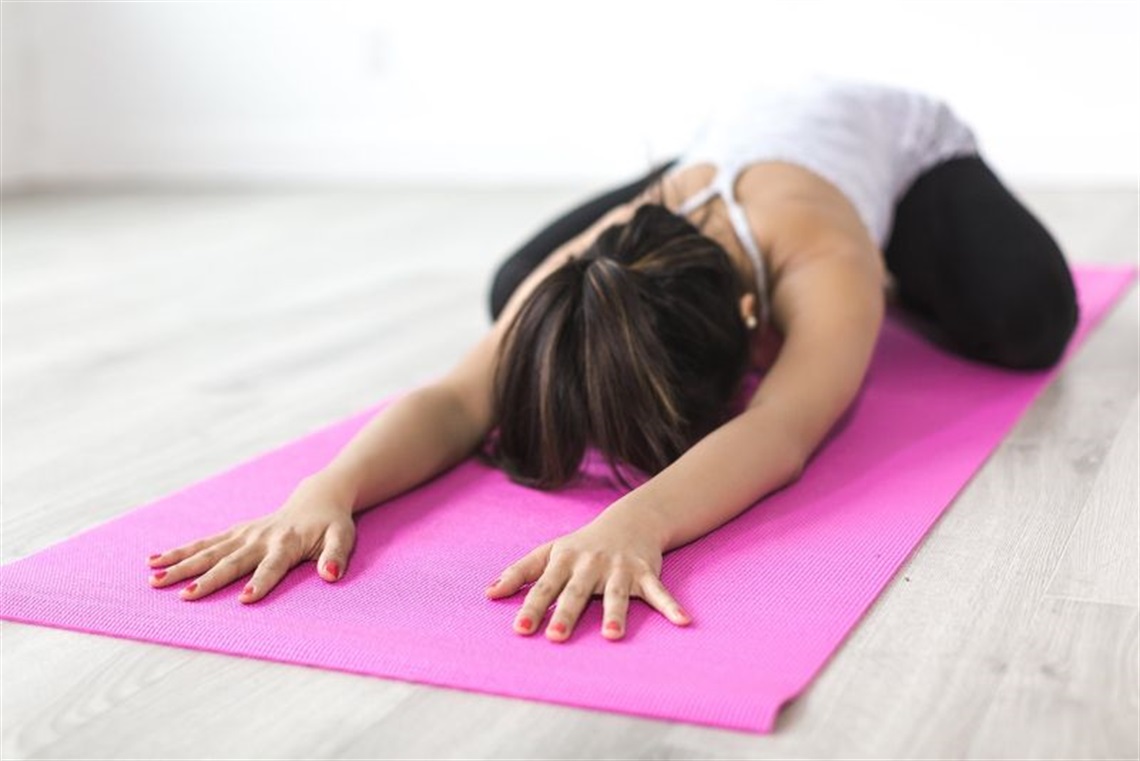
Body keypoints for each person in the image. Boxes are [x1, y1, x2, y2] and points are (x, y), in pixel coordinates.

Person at [145, 76, 1080, 643]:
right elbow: (455, 397)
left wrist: (637, 521)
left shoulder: (826, 262)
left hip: (896, 151)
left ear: (760, 330)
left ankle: (910, 272)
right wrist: (326, 490)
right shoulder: (603, 252)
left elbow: (784, 429)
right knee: (521, 291)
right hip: (719, 153)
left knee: (1033, 321)